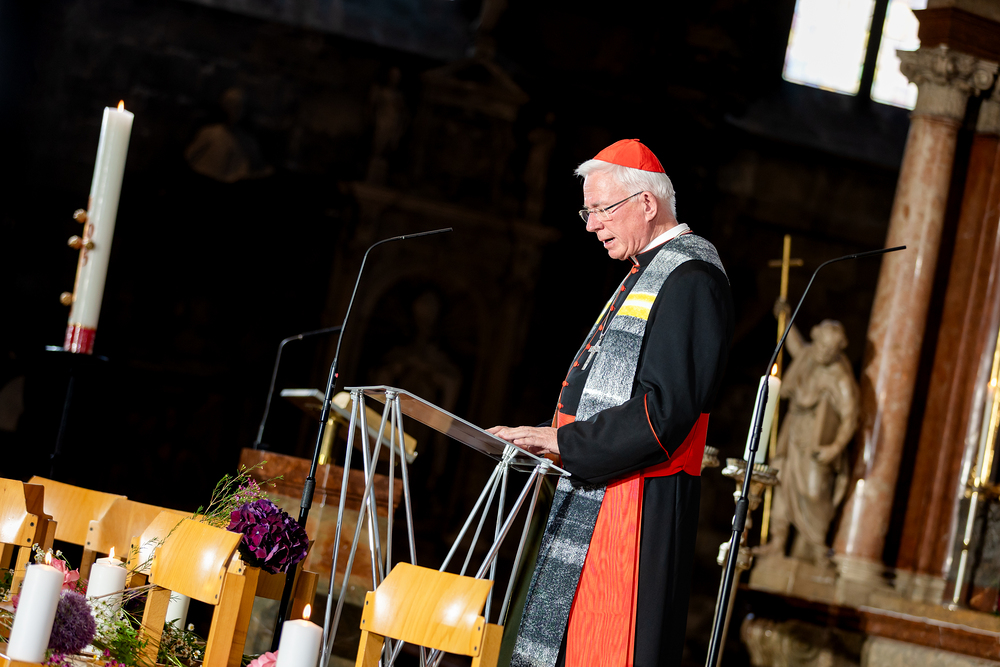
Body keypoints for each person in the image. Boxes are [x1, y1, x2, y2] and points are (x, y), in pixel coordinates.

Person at [489, 139, 734, 667]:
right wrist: (545, 437)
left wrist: (565, 442)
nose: (591, 224)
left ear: (646, 203)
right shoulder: (648, 270)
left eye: (601, 209)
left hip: (637, 503)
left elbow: (663, 411)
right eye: (588, 211)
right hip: (600, 482)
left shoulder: (691, 277)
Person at [757, 304, 858, 566]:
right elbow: (796, 346)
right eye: (821, 346)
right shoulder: (811, 355)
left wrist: (834, 448)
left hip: (816, 441)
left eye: (829, 350)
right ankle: (778, 542)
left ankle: (816, 545)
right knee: (782, 481)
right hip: (794, 431)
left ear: (838, 351)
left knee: (814, 491)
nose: (822, 353)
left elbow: (851, 417)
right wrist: (785, 318)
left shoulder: (840, 377)